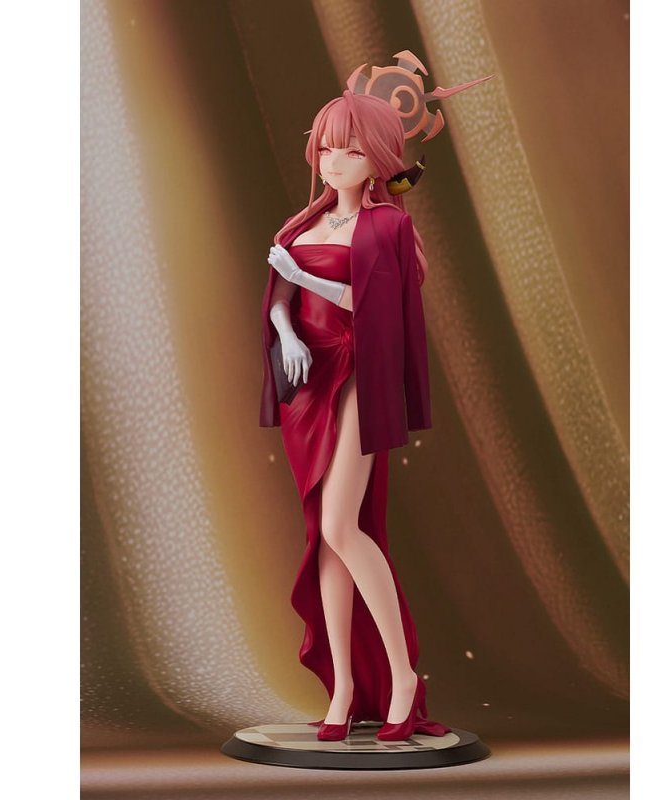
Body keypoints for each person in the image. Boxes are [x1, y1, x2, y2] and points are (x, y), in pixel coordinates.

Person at [259, 54, 489, 742]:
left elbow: (372, 308)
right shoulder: (301, 225)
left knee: (340, 525)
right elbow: (278, 301)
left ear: (380, 159)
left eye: (352, 151)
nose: (334, 162)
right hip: (308, 384)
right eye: (327, 148)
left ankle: (402, 675)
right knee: (325, 541)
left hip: (361, 375)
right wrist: (286, 335)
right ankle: (345, 688)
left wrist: (301, 275)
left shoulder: (387, 227)